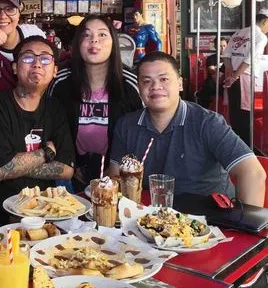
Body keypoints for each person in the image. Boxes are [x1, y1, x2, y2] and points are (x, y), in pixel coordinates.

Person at [108, 52, 266, 206]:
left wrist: (244, 221)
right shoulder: (126, 125)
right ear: (139, 88)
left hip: (210, 216)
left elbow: (253, 174)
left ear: (180, 83)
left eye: (164, 79)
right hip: (149, 215)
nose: (155, 86)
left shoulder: (207, 123)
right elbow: (116, 176)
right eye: (147, 81)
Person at [0, 36, 75, 227]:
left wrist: (14, 167)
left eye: (45, 59)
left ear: (55, 71)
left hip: (46, 216)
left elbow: (66, 170)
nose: (37, 64)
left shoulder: (55, 109)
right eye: (29, 57)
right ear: (15, 67)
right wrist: (46, 153)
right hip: (2, 218)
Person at [49, 15, 142, 190]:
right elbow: (51, 127)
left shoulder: (130, 84)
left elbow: (139, 132)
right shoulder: (61, 82)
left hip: (116, 177)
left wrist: (115, 168)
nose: (94, 40)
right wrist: (70, 162)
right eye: (86, 35)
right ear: (77, 43)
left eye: (102, 35)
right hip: (71, 176)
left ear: (114, 42)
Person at [223, 11, 268, 145]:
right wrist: (235, 76)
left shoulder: (238, 33)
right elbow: (250, 59)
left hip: (233, 77)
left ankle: (234, 145)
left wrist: (231, 74)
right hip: (244, 77)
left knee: (234, 114)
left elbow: (226, 55)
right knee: (245, 115)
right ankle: (246, 148)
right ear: (265, 22)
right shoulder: (260, 36)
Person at [197, 37, 228, 109]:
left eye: (224, 46)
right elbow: (212, 72)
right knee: (208, 86)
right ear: (215, 46)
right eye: (220, 46)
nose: (222, 48)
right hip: (213, 82)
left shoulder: (230, 58)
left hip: (225, 81)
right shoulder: (211, 58)